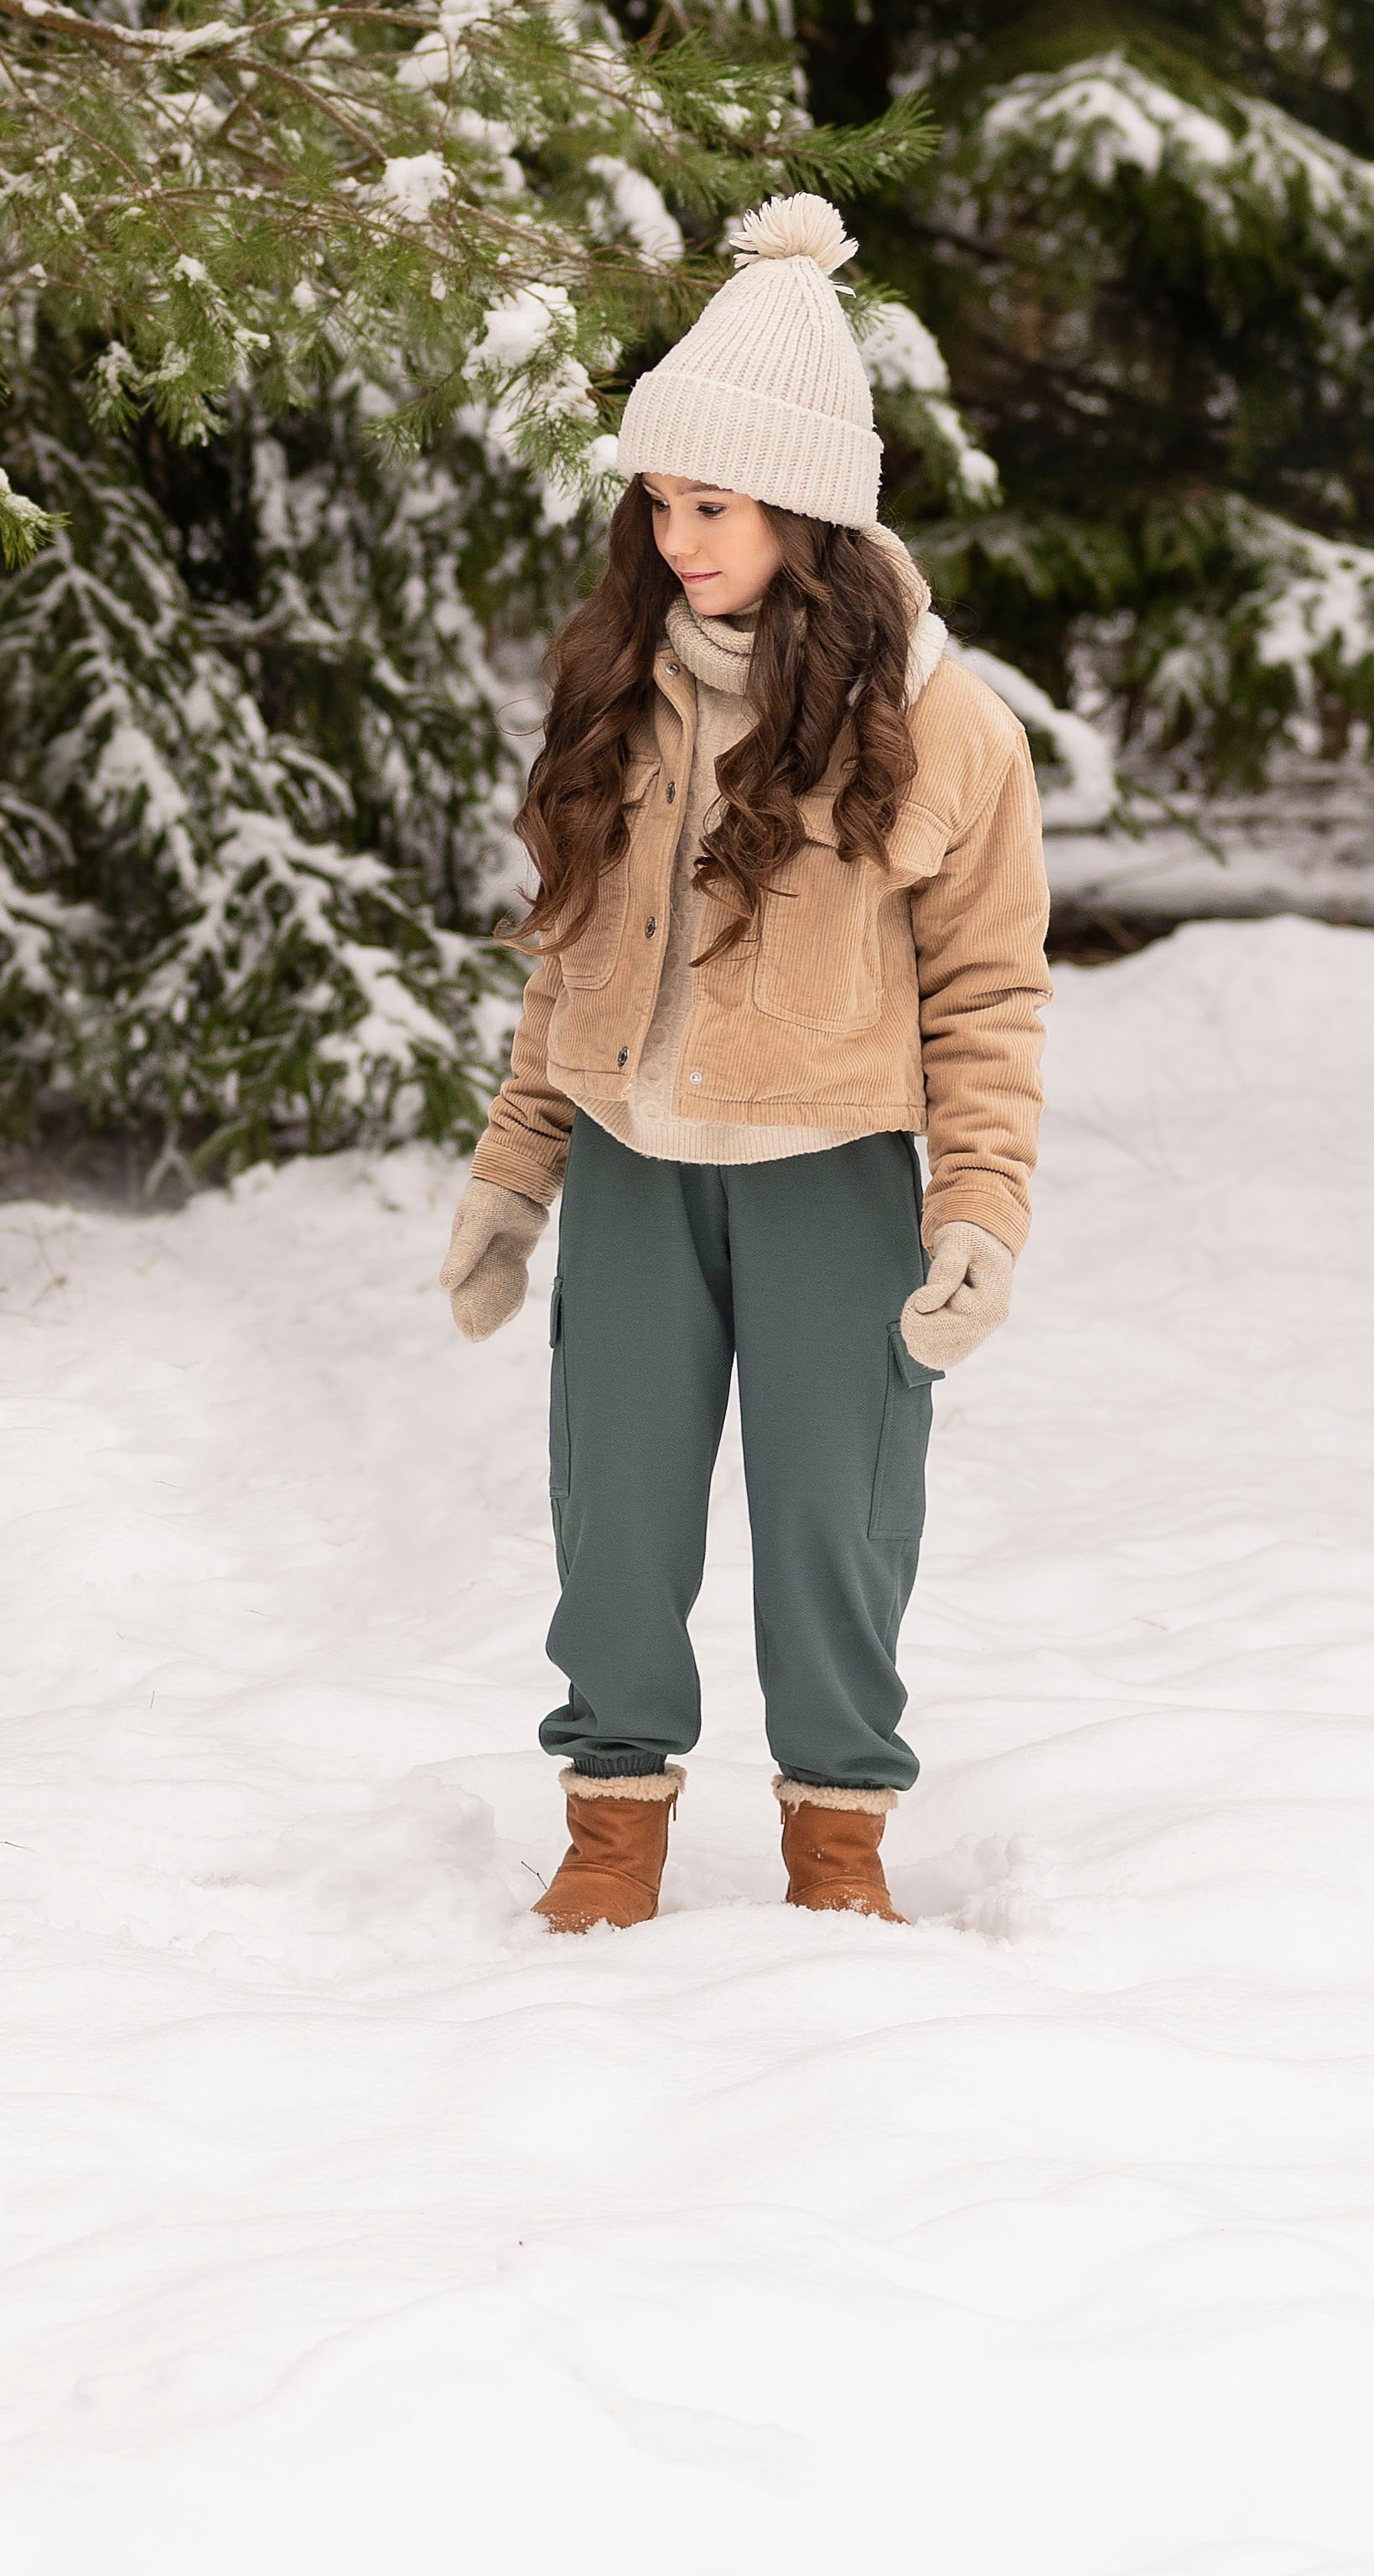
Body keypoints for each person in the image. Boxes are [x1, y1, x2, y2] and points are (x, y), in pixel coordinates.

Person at [438, 194, 1050, 1933]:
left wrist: (979, 1208)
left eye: (709, 504)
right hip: (634, 1171)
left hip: (832, 1180)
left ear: (804, 511)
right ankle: (607, 1832)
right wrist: (511, 1171)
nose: (674, 532)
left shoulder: (941, 725)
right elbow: (571, 957)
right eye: (656, 499)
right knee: (610, 1515)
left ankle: (835, 1849)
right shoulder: (618, 689)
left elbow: (989, 989)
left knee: (830, 1530)